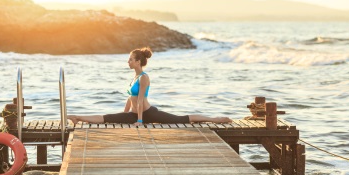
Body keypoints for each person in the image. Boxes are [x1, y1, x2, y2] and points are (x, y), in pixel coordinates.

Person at [67, 47, 232, 126]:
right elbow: (130, 99)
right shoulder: (134, 78)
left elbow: (139, 101)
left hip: (146, 113)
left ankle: (215, 119)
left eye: (131, 59)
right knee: (107, 117)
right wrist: (123, 115)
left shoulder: (144, 78)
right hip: (133, 115)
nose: (128, 61)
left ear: (138, 61)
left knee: (181, 119)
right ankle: (77, 117)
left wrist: (139, 120)